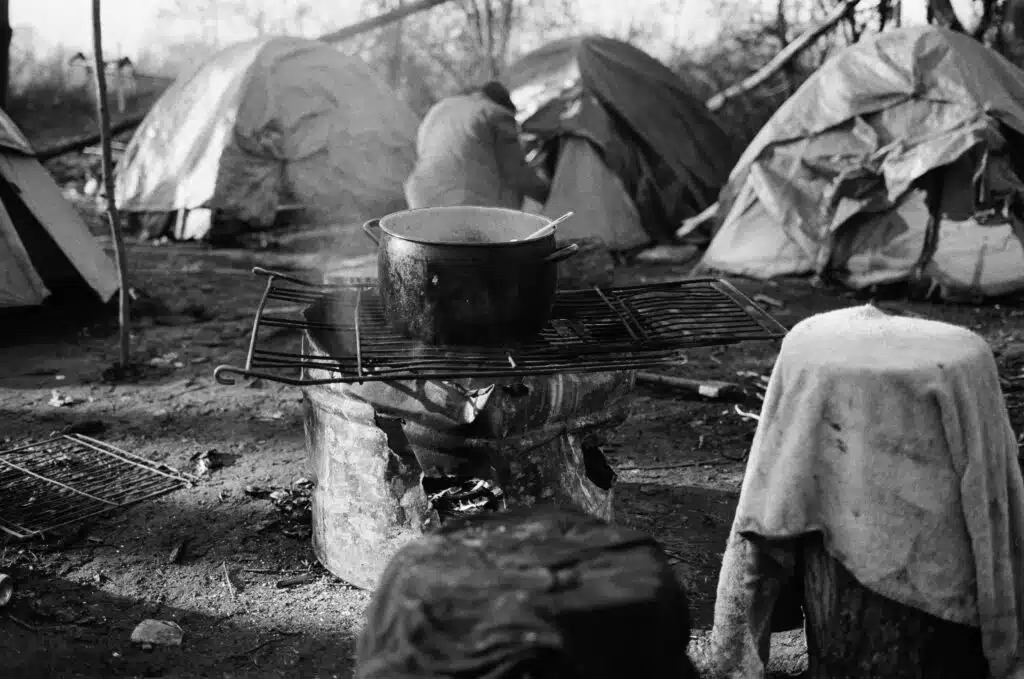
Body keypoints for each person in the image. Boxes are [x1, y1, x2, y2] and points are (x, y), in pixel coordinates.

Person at [404, 81, 551, 210]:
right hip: (465, 203)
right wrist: (552, 196)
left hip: (420, 198)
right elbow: (517, 173)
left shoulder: (440, 108)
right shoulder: (496, 113)